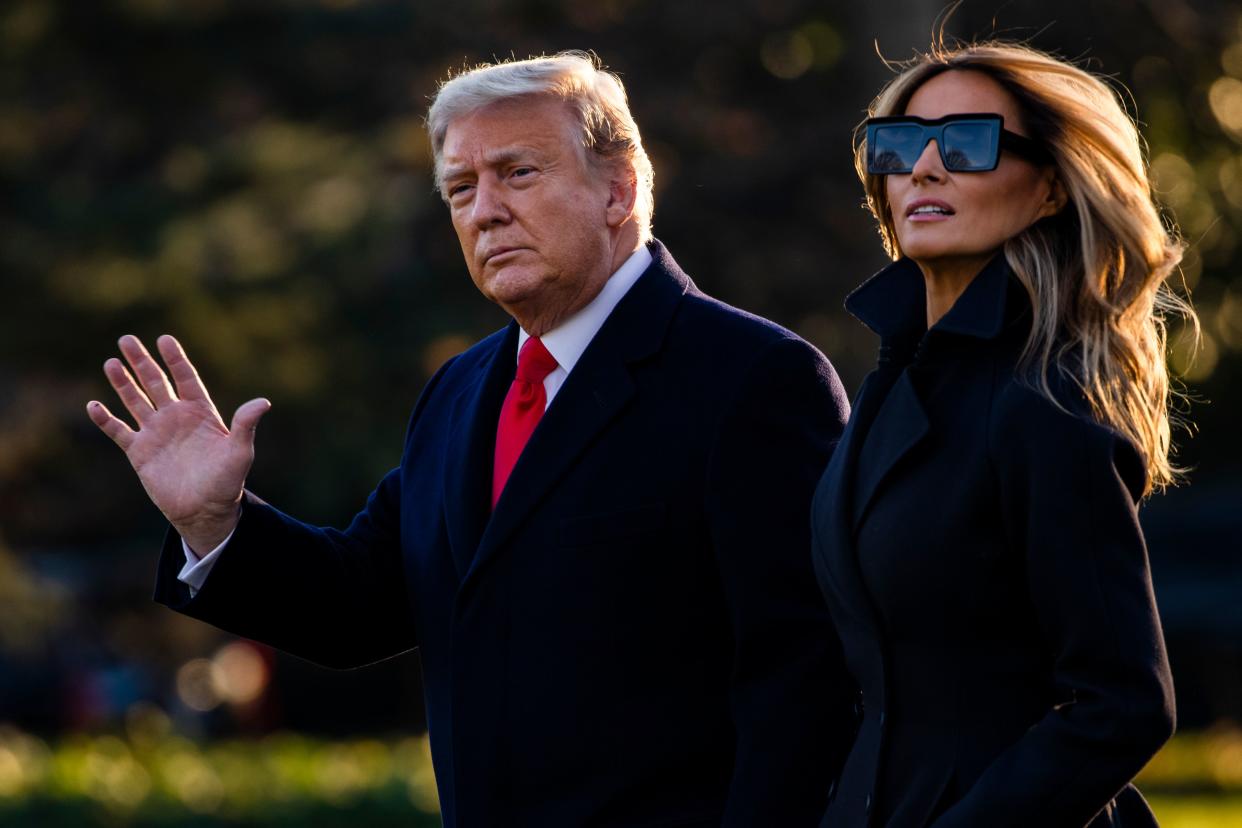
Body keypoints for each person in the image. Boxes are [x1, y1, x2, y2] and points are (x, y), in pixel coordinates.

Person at [87, 52, 856, 827]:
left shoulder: (755, 378)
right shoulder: (459, 391)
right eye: (461, 188)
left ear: (618, 190)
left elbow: (804, 686)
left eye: (517, 173)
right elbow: (360, 605)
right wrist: (214, 524)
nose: (483, 210)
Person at [811, 41, 1189, 827]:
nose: (923, 168)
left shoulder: (1043, 403)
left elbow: (1124, 704)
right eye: (902, 145)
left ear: (1051, 187)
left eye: (967, 143)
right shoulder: (893, 382)